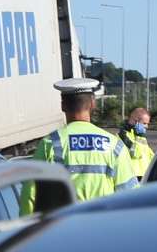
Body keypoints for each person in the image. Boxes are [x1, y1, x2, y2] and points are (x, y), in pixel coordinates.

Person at [19, 78, 137, 215]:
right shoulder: (114, 145)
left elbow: (31, 194)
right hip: (105, 228)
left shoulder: (50, 143)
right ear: (93, 104)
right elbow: (130, 194)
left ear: (63, 105)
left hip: (64, 230)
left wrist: (29, 229)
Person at [118, 107, 154, 180]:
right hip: (133, 177)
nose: (147, 126)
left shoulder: (139, 135)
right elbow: (135, 153)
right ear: (135, 121)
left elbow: (150, 155)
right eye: (144, 123)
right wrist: (139, 136)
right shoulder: (123, 135)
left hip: (145, 176)